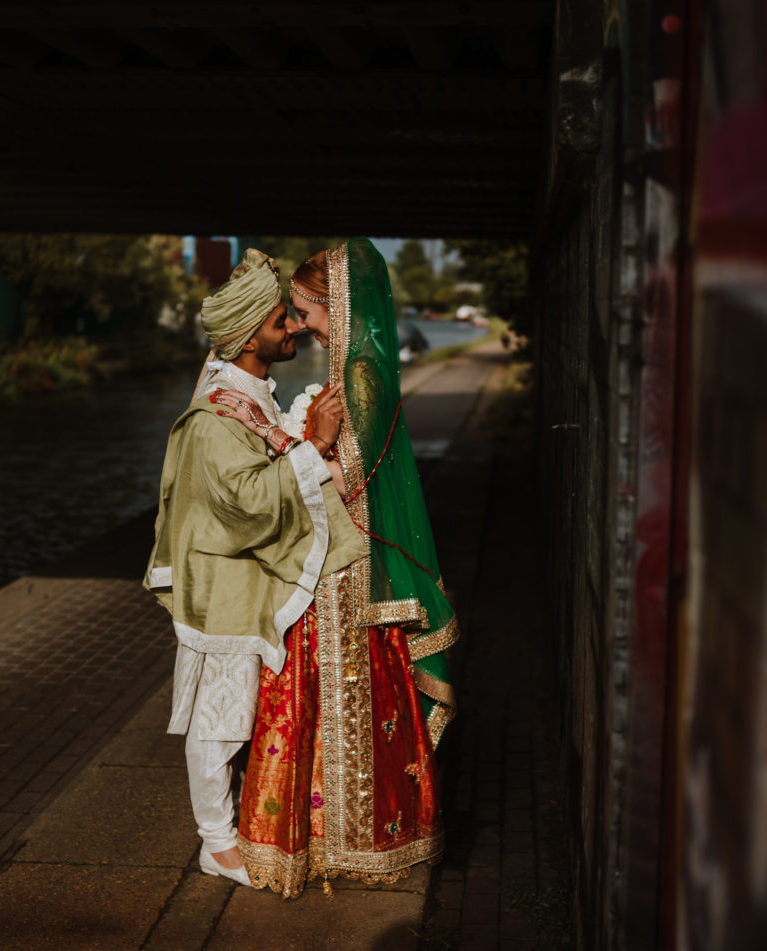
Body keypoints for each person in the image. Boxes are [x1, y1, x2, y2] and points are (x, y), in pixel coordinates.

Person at [211, 238, 459, 897]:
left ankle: (351, 837)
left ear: (335, 303)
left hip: (344, 567)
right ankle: (335, 836)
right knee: (326, 694)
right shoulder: (353, 367)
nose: (299, 323)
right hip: (329, 557)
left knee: (336, 693)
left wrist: (288, 445)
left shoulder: (363, 375)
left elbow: (350, 478)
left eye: (303, 310)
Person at [144, 248, 369, 886]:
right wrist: (319, 445)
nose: (293, 327)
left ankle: (230, 830)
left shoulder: (248, 395)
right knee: (220, 717)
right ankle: (215, 845)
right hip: (223, 586)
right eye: (280, 321)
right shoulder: (218, 414)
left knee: (235, 714)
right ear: (248, 338)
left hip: (242, 579)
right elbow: (245, 501)